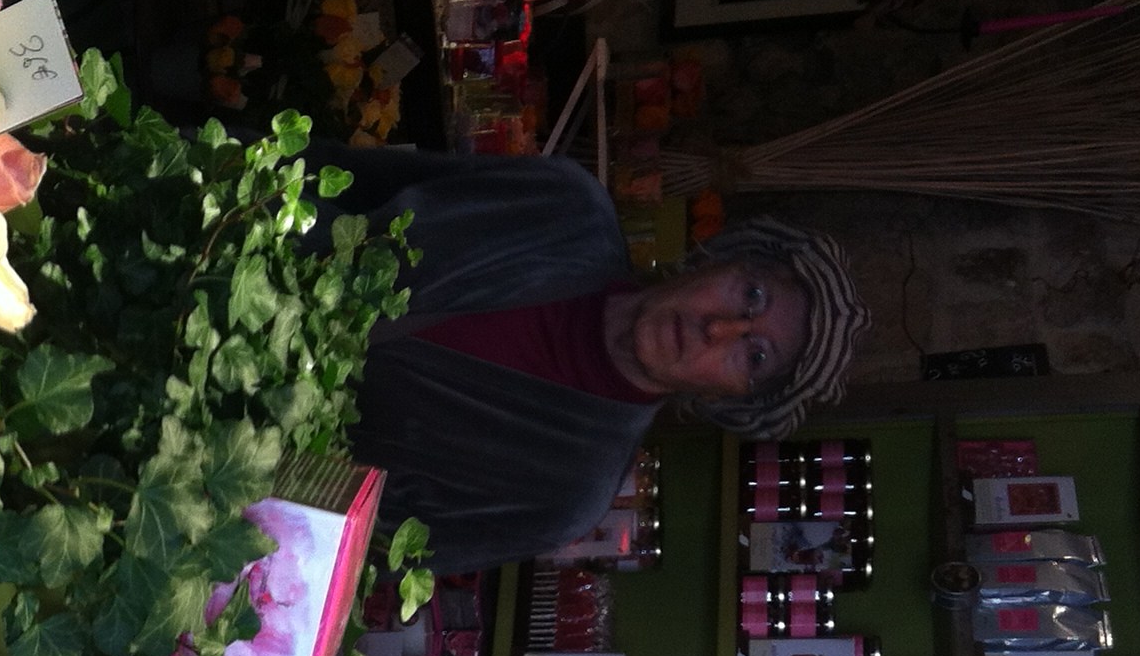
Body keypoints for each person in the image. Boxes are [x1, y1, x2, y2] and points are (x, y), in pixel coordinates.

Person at [326, 151, 868, 572]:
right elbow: (355, 174)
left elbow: (351, 545)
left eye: (753, 355)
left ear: (726, 399)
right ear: (723, 258)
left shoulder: (564, 493)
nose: (717, 328)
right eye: (750, 295)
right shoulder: (563, 207)